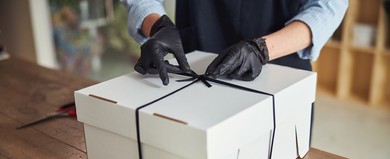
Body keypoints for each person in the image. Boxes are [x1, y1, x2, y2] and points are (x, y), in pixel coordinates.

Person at [121, 0, 348, 85]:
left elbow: (329, 5)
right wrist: (157, 26)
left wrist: (261, 49)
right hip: (196, 64)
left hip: (280, 63)